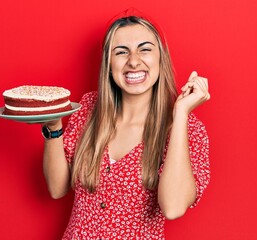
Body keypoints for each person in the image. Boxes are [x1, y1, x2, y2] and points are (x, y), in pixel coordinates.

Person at [42, 15, 210, 239]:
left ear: (161, 58)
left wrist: (180, 114)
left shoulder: (188, 130)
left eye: (145, 49)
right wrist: (54, 127)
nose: (133, 61)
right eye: (121, 51)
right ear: (108, 63)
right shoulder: (88, 108)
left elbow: (173, 207)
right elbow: (57, 188)